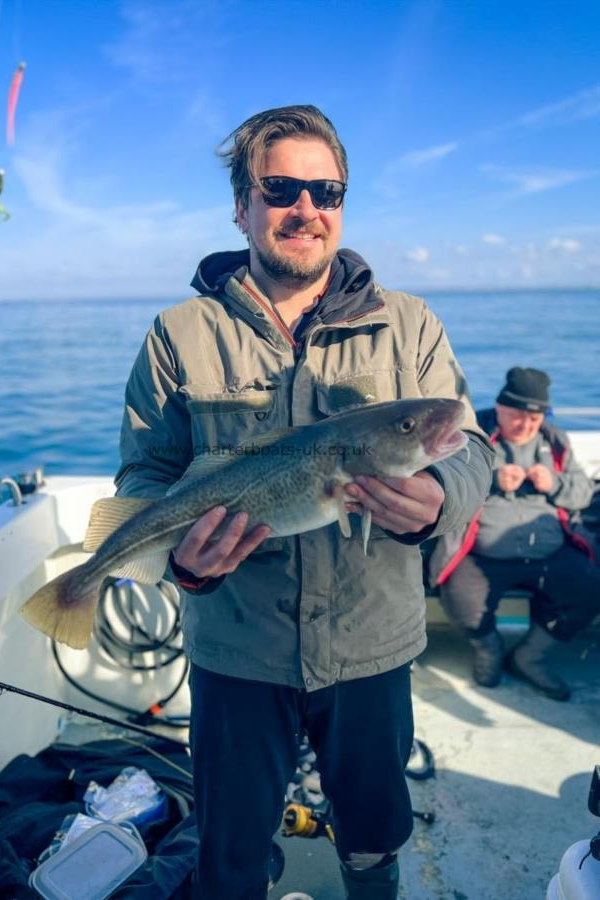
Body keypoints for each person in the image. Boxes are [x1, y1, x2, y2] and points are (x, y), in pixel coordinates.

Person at [115, 105, 493, 900]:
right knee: (231, 850)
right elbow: (146, 476)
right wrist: (184, 564)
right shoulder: (179, 335)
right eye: (280, 187)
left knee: (372, 830)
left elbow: (471, 449)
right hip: (236, 651)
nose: (306, 209)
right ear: (241, 205)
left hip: (370, 646)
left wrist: (434, 503)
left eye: (326, 189)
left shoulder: (410, 324)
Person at [430, 367, 599, 701]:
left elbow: (581, 494)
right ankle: (489, 650)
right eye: (518, 417)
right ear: (500, 407)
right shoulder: (471, 433)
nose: (526, 426)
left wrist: (555, 484)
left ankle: (529, 657)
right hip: (481, 552)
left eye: (534, 419)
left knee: (588, 588)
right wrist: (490, 479)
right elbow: (441, 482)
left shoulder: (555, 440)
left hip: (551, 549)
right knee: (461, 600)